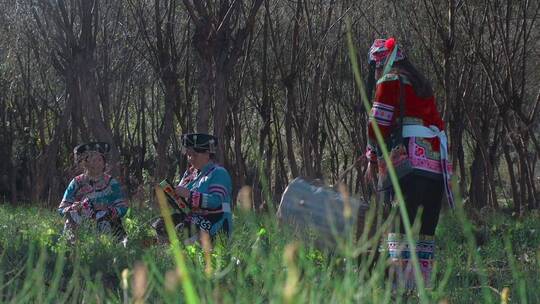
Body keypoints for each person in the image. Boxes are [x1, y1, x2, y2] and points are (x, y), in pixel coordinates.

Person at [363, 38, 454, 291]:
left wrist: (371, 155)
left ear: (384, 62)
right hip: (435, 169)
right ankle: (420, 290)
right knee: (424, 232)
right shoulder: (421, 85)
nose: (376, 72)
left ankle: (398, 291)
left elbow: (377, 126)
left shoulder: (390, 82)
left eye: (376, 66)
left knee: (400, 229)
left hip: (408, 168)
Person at [152, 133, 233, 245]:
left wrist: (189, 194)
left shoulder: (218, 173)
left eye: (194, 155)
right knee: (160, 225)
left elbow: (215, 201)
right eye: (189, 155)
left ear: (207, 154)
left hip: (214, 223)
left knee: (181, 231)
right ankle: (163, 254)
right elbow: (182, 201)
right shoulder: (189, 174)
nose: (190, 159)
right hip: (191, 219)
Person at [58, 142, 128, 243]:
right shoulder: (76, 183)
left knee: (104, 219)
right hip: (82, 223)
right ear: (85, 163)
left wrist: (108, 209)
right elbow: (61, 209)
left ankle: (108, 248)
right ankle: (71, 248)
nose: (98, 163)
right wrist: (74, 207)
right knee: (72, 217)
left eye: (100, 160)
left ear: (104, 162)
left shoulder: (111, 182)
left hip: (106, 223)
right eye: (93, 160)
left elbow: (122, 207)